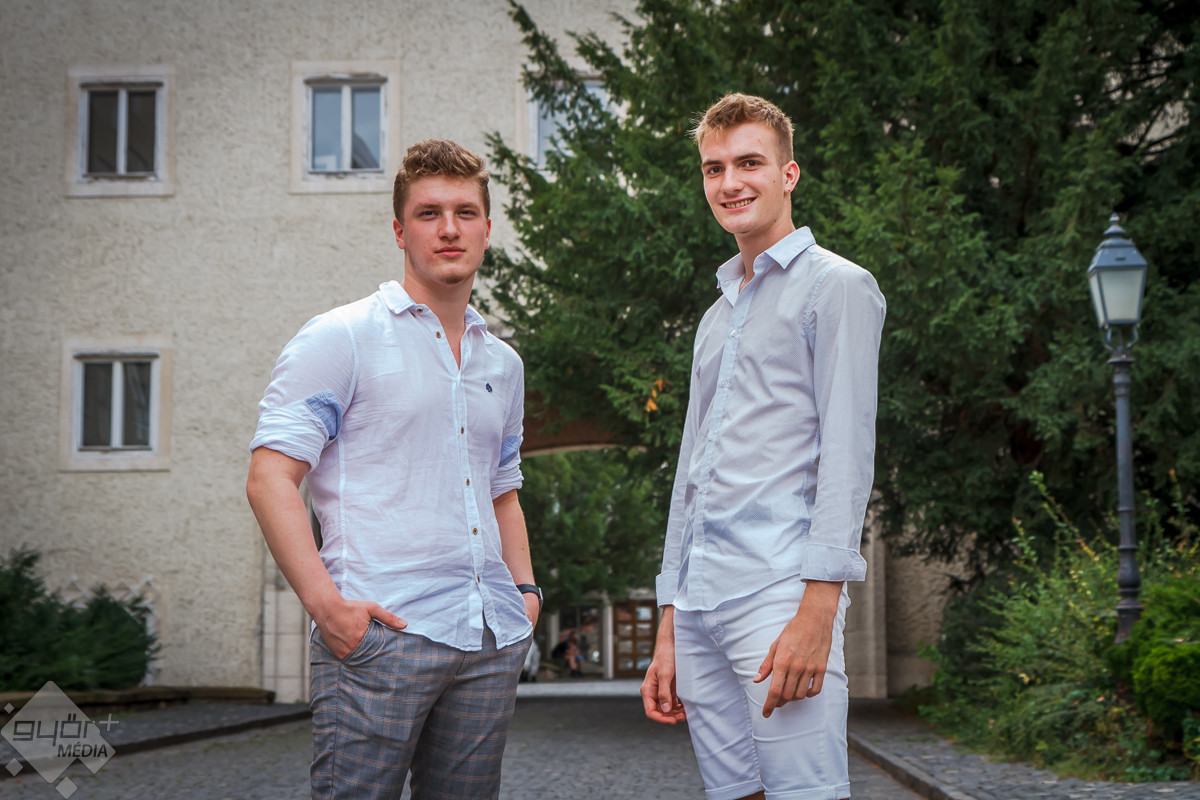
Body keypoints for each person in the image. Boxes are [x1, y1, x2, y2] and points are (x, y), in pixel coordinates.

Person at [246, 138, 543, 800]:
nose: (449, 229)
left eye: (465, 212)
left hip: (489, 637)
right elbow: (269, 479)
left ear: (487, 229)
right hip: (382, 636)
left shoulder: (503, 364)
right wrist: (328, 608)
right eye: (429, 213)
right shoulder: (342, 337)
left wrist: (525, 596)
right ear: (400, 230)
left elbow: (503, 491)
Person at [640, 94, 886, 800]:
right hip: (699, 605)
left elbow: (848, 453)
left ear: (788, 174)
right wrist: (669, 620)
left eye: (749, 163)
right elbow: (690, 475)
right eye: (714, 168)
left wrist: (818, 609)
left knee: (806, 793)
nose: (730, 182)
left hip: (780, 593)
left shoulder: (837, 286)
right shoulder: (715, 317)